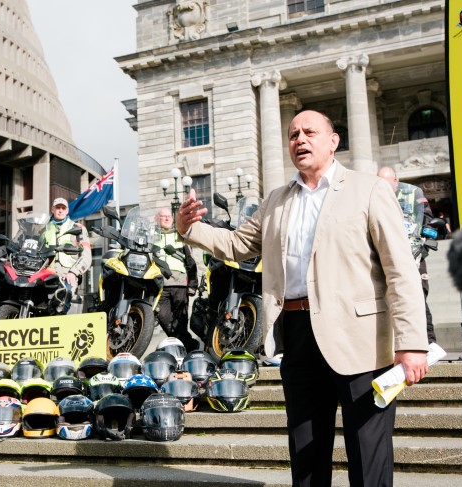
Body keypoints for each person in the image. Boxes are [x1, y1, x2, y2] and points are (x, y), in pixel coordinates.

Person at [176, 110, 429, 486]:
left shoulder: (368, 189)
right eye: (293, 134)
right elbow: (235, 243)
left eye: (310, 132)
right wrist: (190, 228)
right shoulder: (277, 200)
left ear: (333, 141)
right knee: (306, 448)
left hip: (359, 335)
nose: (300, 140)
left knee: (367, 449)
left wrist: (411, 343)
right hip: (296, 331)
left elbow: (400, 269)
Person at [377, 166, 437, 344]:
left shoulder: (413, 196)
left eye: (387, 182)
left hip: (413, 257)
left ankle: (429, 343)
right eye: (379, 182)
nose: (384, 186)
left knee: (418, 297)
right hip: (385, 258)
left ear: (395, 181)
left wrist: (426, 244)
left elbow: (428, 223)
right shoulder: (374, 199)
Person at [154, 208, 200, 352]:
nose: (167, 219)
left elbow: (190, 261)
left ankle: (181, 348)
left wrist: (193, 284)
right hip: (160, 285)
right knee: (163, 316)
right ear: (157, 219)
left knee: (181, 319)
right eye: (163, 216)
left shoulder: (179, 236)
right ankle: (189, 344)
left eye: (169, 216)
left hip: (180, 283)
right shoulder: (152, 237)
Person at [44, 198, 92, 313]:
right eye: (57, 208)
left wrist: (74, 272)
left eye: (63, 208)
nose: (60, 210)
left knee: (62, 304)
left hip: (67, 274)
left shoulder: (78, 228)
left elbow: (86, 255)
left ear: (67, 211)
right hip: (47, 273)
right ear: (52, 209)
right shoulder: (44, 229)